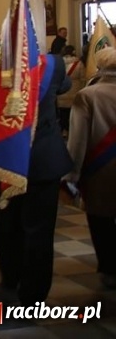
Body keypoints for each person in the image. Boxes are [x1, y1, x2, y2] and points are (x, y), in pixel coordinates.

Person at [0, 47, 72, 305]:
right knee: (39, 228)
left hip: (6, 159)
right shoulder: (54, 66)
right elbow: (64, 87)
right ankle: (34, 293)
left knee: (8, 219)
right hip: (42, 160)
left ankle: (10, 276)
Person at [67, 47, 116, 289]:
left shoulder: (87, 95)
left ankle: (108, 266)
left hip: (100, 170)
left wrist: (72, 174)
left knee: (101, 220)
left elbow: (77, 140)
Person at [56, 45, 85, 136]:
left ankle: (64, 130)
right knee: (73, 113)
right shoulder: (79, 63)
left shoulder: (59, 63)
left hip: (62, 91)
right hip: (75, 91)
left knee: (62, 113)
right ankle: (72, 130)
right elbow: (83, 78)